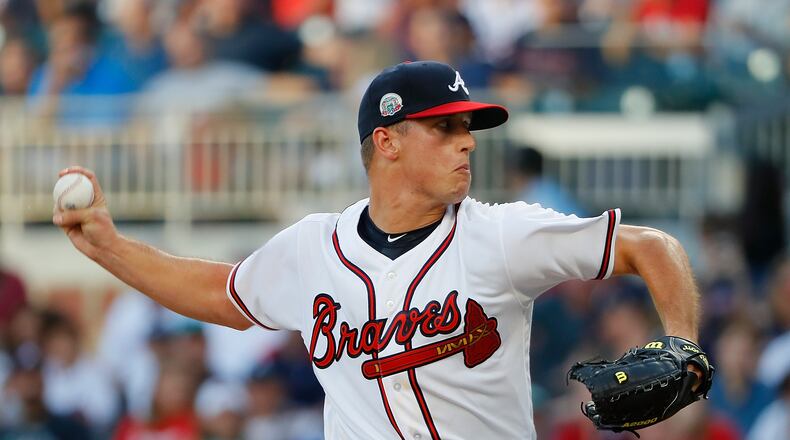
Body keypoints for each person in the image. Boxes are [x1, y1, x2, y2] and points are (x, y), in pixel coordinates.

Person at [52, 61, 705, 439]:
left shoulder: (501, 234)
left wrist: (682, 343)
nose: (467, 141)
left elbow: (652, 247)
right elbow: (221, 295)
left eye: (466, 128)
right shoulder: (314, 248)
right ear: (387, 142)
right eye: (445, 127)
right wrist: (108, 247)